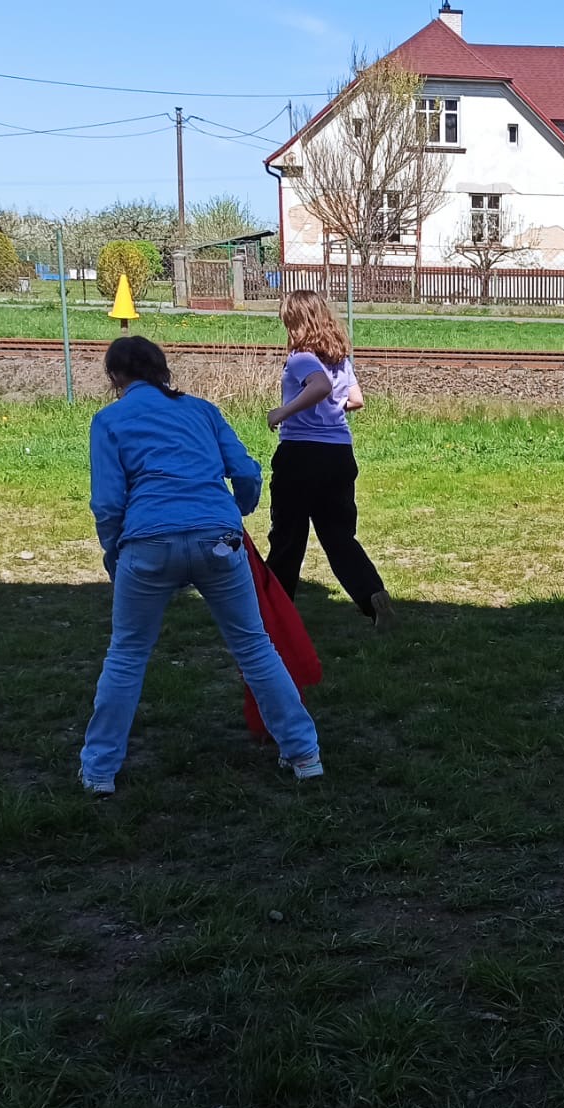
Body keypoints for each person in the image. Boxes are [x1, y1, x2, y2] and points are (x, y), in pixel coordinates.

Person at [80, 336, 322, 796]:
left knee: (127, 654)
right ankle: (305, 755)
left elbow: (108, 503)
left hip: (146, 545)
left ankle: (99, 771)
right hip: (219, 540)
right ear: (163, 370)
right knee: (255, 648)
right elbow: (246, 472)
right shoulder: (202, 411)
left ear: (114, 377)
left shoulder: (109, 420)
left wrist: (114, 554)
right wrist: (235, 512)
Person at [265, 289, 394, 627]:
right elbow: (356, 400)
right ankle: (372, 595)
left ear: (296, 323)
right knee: (339, 536)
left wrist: (282, 412)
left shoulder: (301, 358)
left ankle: (274, 612)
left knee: (287, 536)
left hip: (301, 454)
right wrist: (330, 409)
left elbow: (320, 387)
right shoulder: (340, 359)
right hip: (338, 454)